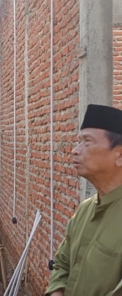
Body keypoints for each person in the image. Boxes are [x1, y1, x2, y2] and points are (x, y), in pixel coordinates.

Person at [46, 104, 122, 296]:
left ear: (119, 154)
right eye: (78, 142)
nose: (75, 150)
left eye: (87, 142)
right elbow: (62, 264)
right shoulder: (85, 210)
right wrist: (56, 292)